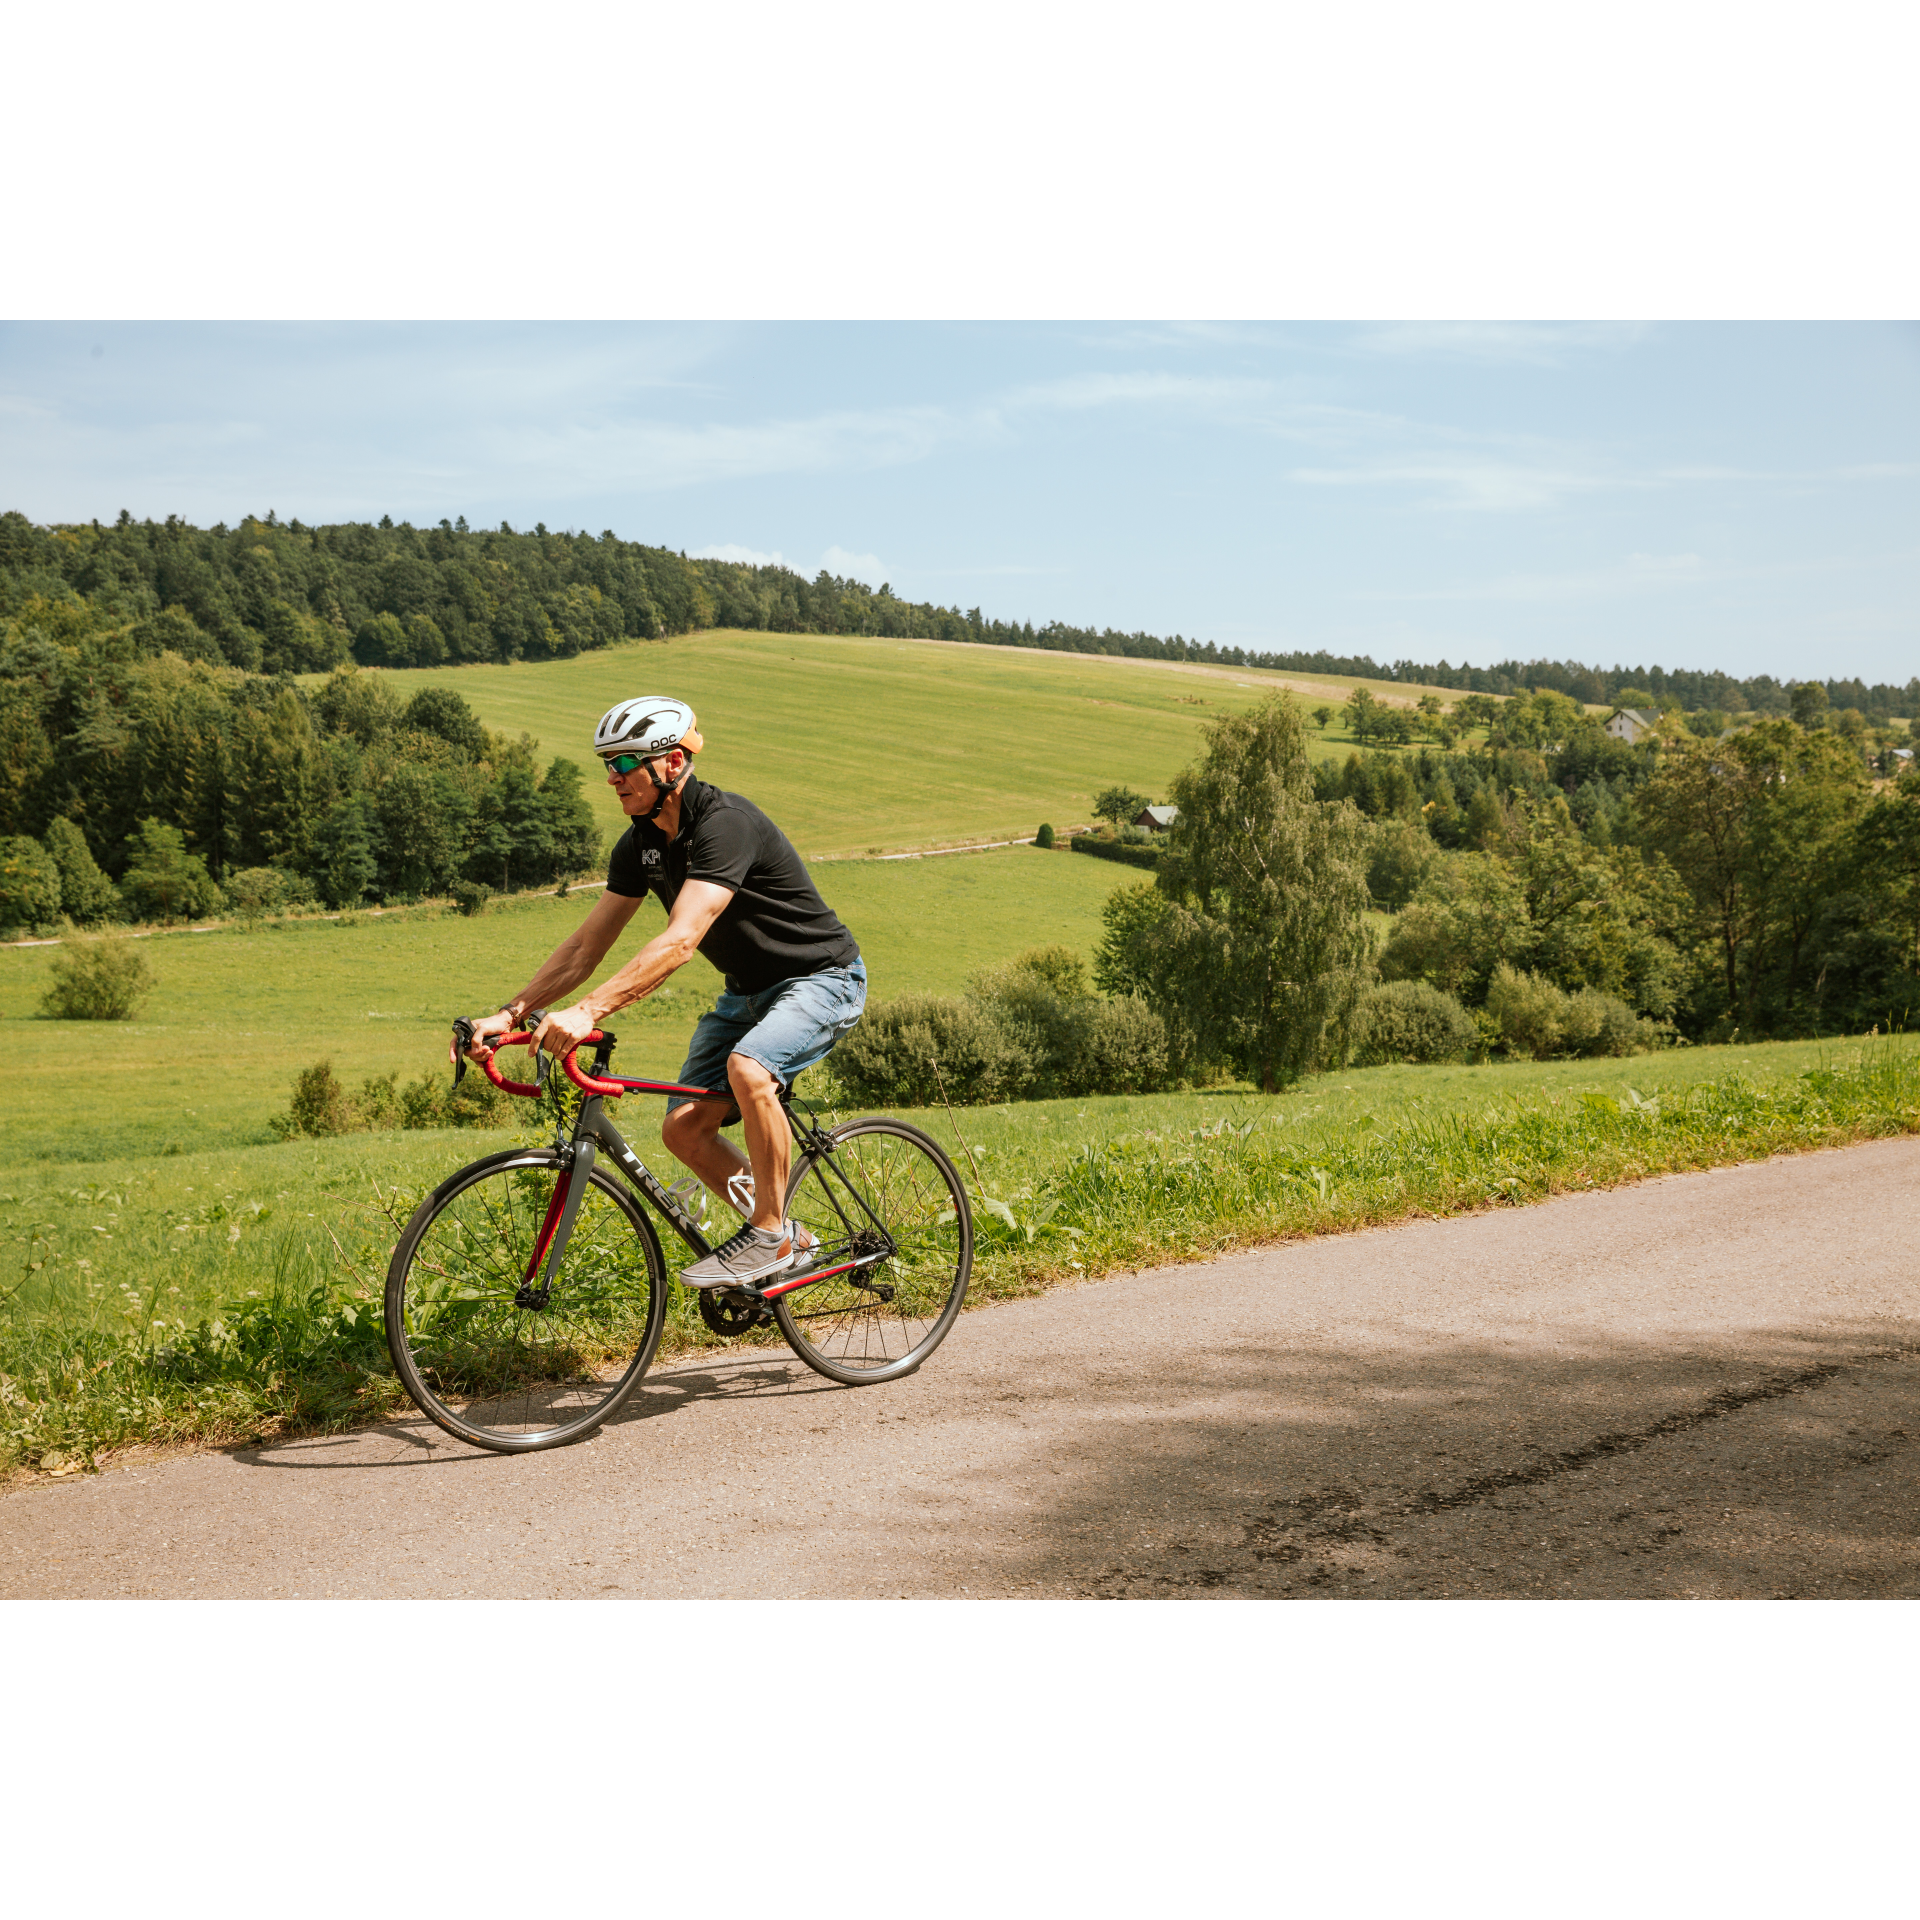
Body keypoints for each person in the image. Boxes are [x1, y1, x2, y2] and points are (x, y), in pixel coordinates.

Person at [463, 695, 867, 1289]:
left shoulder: (725, 825)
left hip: (822, 979)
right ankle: (795, 1240)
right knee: (682, 1129)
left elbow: (681, 941)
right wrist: (511, 1011)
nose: (612, 777)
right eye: (607, 763)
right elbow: (585, 946)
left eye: (624, 763)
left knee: (750, 1071)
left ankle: (770, 1235)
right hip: (748, 993)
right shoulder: (640, 845)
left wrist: (590, 1009)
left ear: (672, 762)